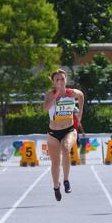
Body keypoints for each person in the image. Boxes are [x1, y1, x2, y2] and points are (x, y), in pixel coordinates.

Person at [43, 69, 84, 201]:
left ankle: (66, 180)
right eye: (57, 80)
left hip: (69, 129)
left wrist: (80, 114)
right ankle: (56, 186)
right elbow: (44, 109)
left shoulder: (72, 93)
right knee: (55, 163)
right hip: (53, 133)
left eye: (62, 79)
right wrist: (56, 96)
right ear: (54, 82)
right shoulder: (50, 94)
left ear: (66, 79)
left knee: (66, 148)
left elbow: (81, 96)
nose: (60, 82)